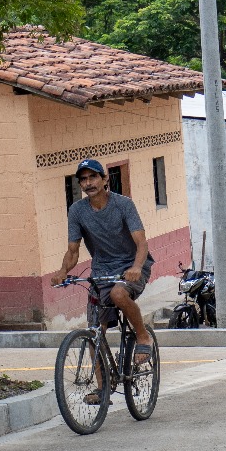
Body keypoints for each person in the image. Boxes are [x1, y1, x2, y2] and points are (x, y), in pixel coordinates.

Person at [52, 158, 156, 400]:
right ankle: (103, 388)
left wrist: (136, 267)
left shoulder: (123, 205)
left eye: (93, 177)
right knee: (93, 332)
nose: (88, 183)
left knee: (118, 294)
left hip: (132, 267)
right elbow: (73, 250)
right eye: (84, 180)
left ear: (104, 179)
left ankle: (142, 335)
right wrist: (62, 271)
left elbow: (142, 243)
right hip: (101, 273)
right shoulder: (77, 211)